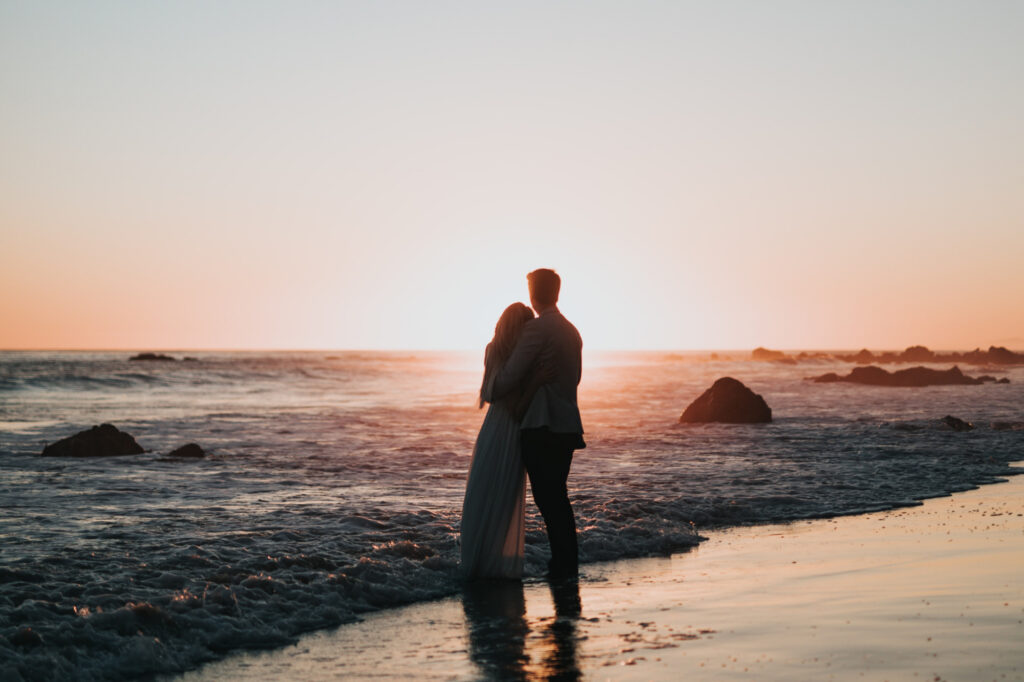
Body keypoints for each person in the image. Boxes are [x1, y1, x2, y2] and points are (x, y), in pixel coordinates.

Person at [492, 268, 585, 579]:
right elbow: (577, 378)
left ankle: (562, 566)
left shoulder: (537, 330)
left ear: (533, 293)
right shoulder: (572, 331)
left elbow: (508, 378)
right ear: (556, 293)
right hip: (568, 425)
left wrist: (494, 383)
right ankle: (565, 563)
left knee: (549, 500)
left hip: (540, 427)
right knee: (558, 497)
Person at [460, 302, 540, 579]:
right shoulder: (516, 354)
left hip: (496, 426)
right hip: (512, 427)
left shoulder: (502, 351)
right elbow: (492, 392)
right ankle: (492, 562)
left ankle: (479, 560)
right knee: (501, 495)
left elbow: (489, 393)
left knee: (485, 492)